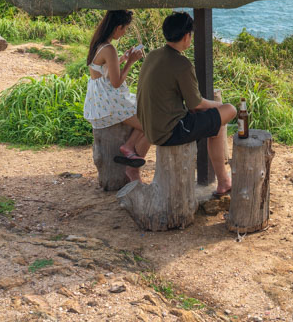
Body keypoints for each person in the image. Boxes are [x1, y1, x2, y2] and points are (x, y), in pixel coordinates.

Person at [136, 11, 237, 196]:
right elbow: (196, 104)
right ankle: (223, 182)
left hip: (151, 128)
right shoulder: (181, 63)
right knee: (229, 110)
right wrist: (220, 107)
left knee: (217, 123)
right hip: (170, 131)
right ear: (186, 36)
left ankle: (223, 181)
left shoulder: (153, 55)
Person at [82, 10, 149, 182]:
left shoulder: (99, 44)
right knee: (151, 126)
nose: (125, 32)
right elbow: (116, 82)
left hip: (100, 99)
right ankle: (130, 157)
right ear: (118, 27)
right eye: (125, 29)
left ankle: (129, 147)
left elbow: (101, 68)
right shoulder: (109, 49)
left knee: (144, 110)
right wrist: (130, 62)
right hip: (109, 101)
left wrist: (121, 59)